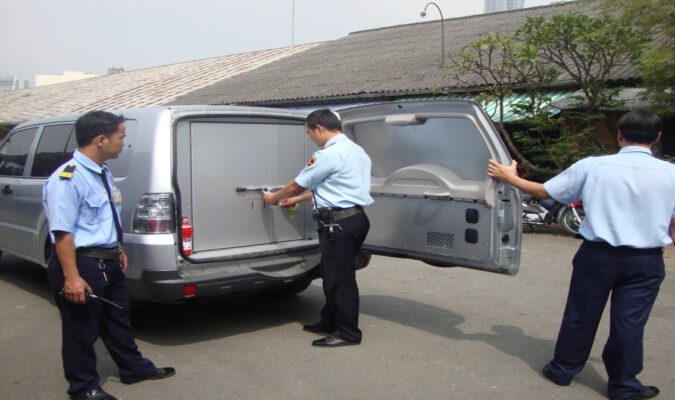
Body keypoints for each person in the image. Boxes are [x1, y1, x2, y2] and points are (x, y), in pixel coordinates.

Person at [487, 110, 675, 400]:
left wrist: (509, 177)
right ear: (657, 137)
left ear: (619, 135)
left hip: (597, 255)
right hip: (646, 260)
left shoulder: (593, 166)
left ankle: (563, 370)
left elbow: (545, 191)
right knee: (630, 322)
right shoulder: (671, 173)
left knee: (581, 312)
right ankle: (623, 386)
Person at [43, 111, 175, 400]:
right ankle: (84, 387)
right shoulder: (67, 178)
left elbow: (102, 219)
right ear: (101, 140)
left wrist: (117, 249)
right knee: (81, 329)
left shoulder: (102, 172)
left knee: (118, 318)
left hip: (108, 259)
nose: (123, 143)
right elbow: (62, 234)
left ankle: (133, 368)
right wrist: (72, 277)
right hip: (83, 263)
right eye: (121, 137)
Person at [263, 109, 373, 347]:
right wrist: (298, 200)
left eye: (309, 133)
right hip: (353, 219)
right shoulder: (357, 151)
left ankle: (347, 332)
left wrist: (274, 198)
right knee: (332, 274)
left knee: (340, 278)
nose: (311, 137)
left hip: (339, 223)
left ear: (320, 128)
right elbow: (334, 188)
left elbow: (297, 184)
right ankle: (330, 320)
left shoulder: (327, 155)